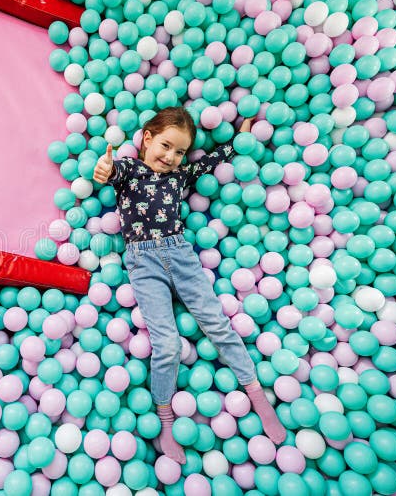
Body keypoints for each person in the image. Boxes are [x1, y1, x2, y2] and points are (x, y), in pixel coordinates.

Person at [93, 106, 286, 464]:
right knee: (166, 345)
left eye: (179, 151)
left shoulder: (180, 176)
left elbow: (210, 162)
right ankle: (166, 422)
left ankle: (257, 395)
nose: (170, 157)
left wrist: (238, 138)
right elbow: (110, 172)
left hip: (179, 254)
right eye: (165, 146)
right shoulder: (130, 169)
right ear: (147, 139)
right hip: (142, 261)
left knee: (218, 325)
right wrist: (104, 170)